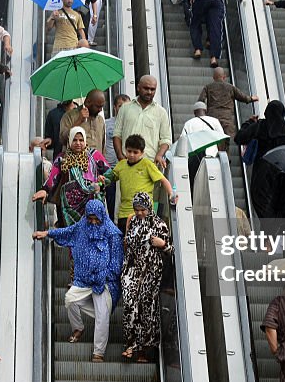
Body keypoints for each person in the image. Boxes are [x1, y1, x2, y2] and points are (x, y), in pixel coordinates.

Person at [33, 200, 123, 363]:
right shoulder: (82, 226)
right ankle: (78, 328)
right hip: (84, 279)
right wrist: (47, 233)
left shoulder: (112, 234)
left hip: (105, 282)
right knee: (70, 299)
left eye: (96, 219)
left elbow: (116, 264)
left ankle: (98, 352)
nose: (93, 222)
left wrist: (103, 276)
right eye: (90, 218)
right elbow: (69, 232)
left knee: (102, 315)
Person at [120, 192, 172, 363]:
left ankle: (143, 350)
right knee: (129, 305)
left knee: (146, 309)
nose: (140, 213)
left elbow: (172, 250)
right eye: (137, 209)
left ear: (149, 207)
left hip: (151, 272)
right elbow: (127, 243)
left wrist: (163, 244)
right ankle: (131, 344)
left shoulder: (160, 225)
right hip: (132, 270)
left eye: (142, 209)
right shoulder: (132, 221)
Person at [101, 134, 177, 230]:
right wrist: (102, 179)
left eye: (135, 152)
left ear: (142, 153)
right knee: (125, 243)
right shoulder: (121, 165)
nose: (132, 155)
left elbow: (163, 180)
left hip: (143, 214)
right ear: (125, 150)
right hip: (124, 214)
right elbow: (109, 179)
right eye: (129, 151)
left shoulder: (147, 164)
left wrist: (171, 194)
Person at [235, 100, 285, 217]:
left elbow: (239, 138)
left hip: (262, 175)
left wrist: (248, 123)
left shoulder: (261, 126)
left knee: (263, 210)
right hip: (280, 177)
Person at [113, 75, 173, 169]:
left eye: (152, 89)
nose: (149, 92)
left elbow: (166, 140)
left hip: (149, 165)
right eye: (146, 88)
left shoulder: (161, 112)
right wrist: (120, 156)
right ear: (138, 88)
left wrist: (159, 155)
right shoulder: (125, 108)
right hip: (127, 164)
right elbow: (117, 135)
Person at [198, 67, 258, 136]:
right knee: (225, 140)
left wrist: (202, 116)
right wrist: (251, 98)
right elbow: (243, 97)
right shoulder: (230, 88)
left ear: (213, 77)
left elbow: (200, 101)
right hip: (227, 120)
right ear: (224, 77)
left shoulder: (207, 87)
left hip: (212, 118)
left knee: (213, 139)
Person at [181, 101, 225, 181]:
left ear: (194, 112)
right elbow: (221, 139)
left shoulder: (188, 123)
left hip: (194, 159)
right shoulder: (214, 121)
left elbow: (182, 142)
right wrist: (221, 155)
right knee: (213, 181)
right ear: (205, 111)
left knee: (195, 181)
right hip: (212, 157)